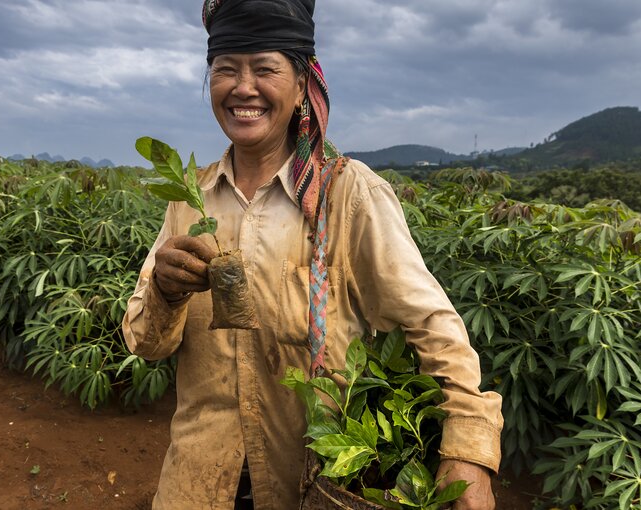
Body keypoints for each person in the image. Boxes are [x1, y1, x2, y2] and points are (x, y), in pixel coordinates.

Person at [122, 1, 503, 508]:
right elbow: (144, 343)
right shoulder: (190, 199)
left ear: (303, 84)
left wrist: (469, 448)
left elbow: (431, 323)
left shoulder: (346, 194)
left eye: (265, 69)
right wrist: (165, 292)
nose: (244, 87)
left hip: (310, 485)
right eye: (226, 69)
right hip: (197, 483)